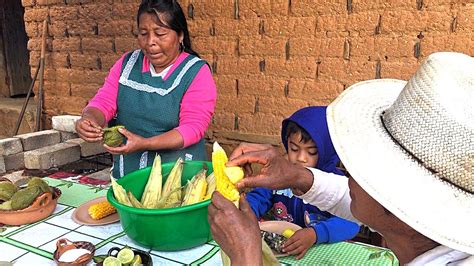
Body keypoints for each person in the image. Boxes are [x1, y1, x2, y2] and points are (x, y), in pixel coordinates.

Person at [208, 52, 474, 265]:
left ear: (397, 201)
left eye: (359, 164)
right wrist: (296, 175)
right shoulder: (423, 236)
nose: (343, 167)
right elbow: (351, 199)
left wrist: (245, 256)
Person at [75, 0, 216, 178]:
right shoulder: (127, 64)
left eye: (160, 34)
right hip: (129, 174)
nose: (150, 42)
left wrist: (146, 143)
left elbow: (193, 128)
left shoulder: (195, 72)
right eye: (143, 33)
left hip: (176, 175)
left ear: (180, 35)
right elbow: (104, 101)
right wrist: (89, 119)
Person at [246, 106, 360, 259]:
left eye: (311, 152)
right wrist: (247, 212)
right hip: (283, 250)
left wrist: (315, 234)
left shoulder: (336, 185)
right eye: (294, 149)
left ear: (326, 151)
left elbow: (352, 224)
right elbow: (258, 197)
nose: (301, 158)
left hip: (323, 253)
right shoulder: (280, 176)